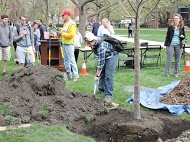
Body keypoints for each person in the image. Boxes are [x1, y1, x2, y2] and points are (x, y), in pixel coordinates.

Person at [84, 31, 118, 102]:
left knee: (108, 75)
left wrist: (97, 75)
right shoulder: (95, 42)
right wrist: (99, 74)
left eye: (89, 43)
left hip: (112, 56)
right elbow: (99, 59)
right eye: (87, 43)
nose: (88, 45)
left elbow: (101, 63)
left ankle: (108, 94)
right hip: (105, 55)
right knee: (102, 73)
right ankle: (101, 89)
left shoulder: (101, 47)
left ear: (93, 40)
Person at [60, 10, 79, 82]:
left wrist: (62, 34)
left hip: (69, 44)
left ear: (67, 15)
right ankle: (68, 75)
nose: (62, 17)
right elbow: (62, 32)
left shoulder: (72, 24)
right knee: (66, 61)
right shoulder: (65, 23)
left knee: (71, 60)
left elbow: (71, 35)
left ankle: (76, 76)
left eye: (63, 16)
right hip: (64, 43)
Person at [164, 14, 185, 78]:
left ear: (179, 19)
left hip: (179, 45)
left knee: (177, 60)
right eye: (175, 18)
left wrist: (182, 36)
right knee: (169, 59)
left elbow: (183, 35)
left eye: (177, 18)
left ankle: (176, 73)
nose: (176, 20)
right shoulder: (170, 26)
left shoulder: (181, 27)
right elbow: (167, 36)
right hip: (171, 45)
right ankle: (166, 74)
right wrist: (165, 45)